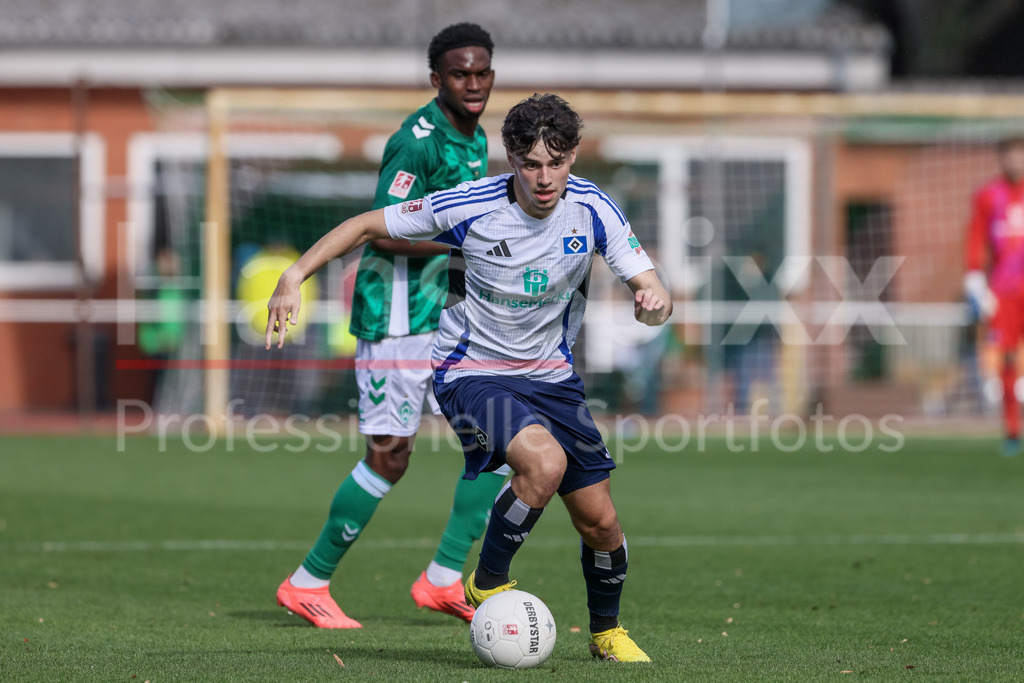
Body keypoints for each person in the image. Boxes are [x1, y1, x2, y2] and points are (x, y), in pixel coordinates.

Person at [266, 93, 671, 662]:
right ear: (510, 157)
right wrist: (294, 273)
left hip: (552, 376)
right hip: (471, 371)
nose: (545, 177)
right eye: (531, 164)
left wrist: (653, 301)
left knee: (601, 523)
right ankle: (485, 579)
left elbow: (652, 287)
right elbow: (364, 226)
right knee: (543, 463)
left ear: (573, 155)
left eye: (557, 162)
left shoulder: (593, 207)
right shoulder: (470, 204)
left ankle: (606, 633)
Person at [274, 22, 508, 628]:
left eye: (483, 71)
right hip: (397, 316)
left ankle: (444, 577)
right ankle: (307, 582)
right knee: (389, 455)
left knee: (500, 443)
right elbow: (381, 228)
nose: (475, 82)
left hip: (449, 316)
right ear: (438, 79)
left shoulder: (475, 137)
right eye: (462, 73)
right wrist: (466, 251)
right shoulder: (417, 141)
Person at [964, 135, 1024, 457]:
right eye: (1010, 155)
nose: (1015, 161)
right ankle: (1012, 430)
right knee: (1008, 359)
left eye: (1020, 155)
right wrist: (974, 278)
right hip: (1004, 291)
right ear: (1001, 159)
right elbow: (975, 239)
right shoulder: (988, 196)